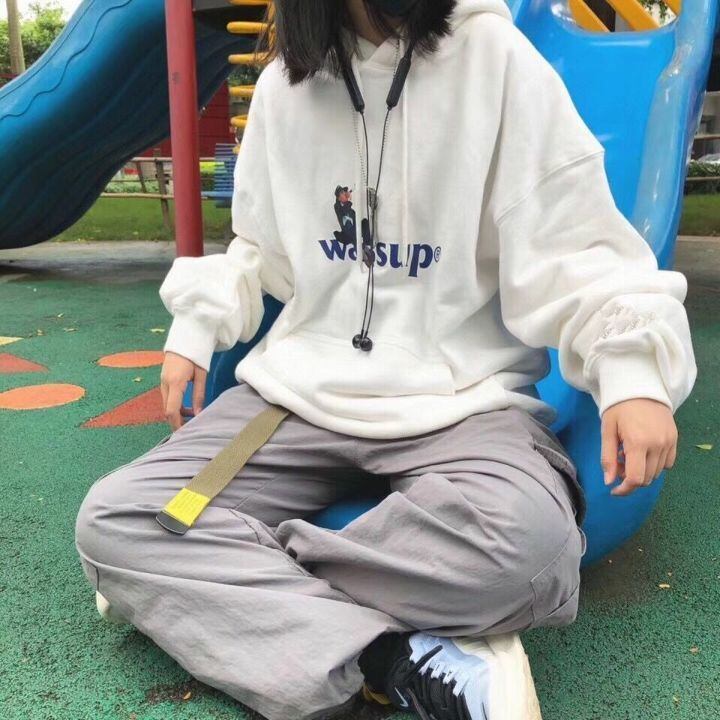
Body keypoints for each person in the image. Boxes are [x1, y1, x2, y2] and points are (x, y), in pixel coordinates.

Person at [75, 1, 697, 719]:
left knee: (530, 552)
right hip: (295, 398)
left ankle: (216, 583)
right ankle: (392, 658)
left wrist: (631, 370)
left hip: (466, 402)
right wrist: (197, 324)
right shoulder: (285, 85)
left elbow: (573, 243)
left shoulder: (497, 62)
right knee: (117, 521)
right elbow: (261, 249)